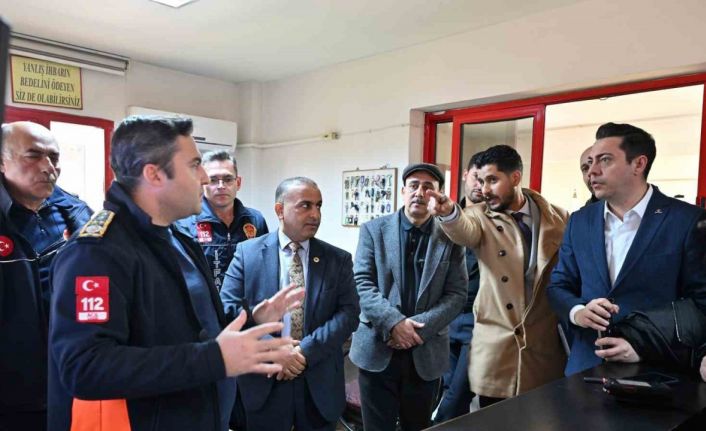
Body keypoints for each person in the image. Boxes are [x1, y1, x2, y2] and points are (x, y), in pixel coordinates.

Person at [48, 116, 302, 431]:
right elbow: (86, 368)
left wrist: (252, 318)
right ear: (154, 174)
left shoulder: (177, 237)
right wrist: (214, 359)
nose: (205, 178)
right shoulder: (97, 252)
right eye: (194, 165)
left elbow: (193, 324)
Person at [547, 122, 706, 375]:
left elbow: (700, 303)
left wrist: (645, 345)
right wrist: (578, 311)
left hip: (658, 372)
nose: (592, 171)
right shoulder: (580, 221)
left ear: (638, 164)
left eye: (605, 160)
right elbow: (558, 285)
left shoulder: (687, 220)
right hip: (585, 367)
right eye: (590, 162)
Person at [429, 145, 568, 407]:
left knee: (539, 415)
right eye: (481, 181)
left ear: (515, 177)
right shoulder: (478, 216)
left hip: (541, 341)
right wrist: (448, 213)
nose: (484, 189)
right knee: (492, 416)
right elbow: (464, 230)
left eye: (492, 180)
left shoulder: (558, 217)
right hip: (497, 342)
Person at [220, 176, 359, 431]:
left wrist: (304, 351)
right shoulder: (247, 254)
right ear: (280, 210)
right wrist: (275, 351)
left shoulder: (337, 259)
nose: (315, 214)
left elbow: (349, 314)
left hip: (318, 381)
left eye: (318, 206)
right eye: (305, 205)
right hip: (264, 381)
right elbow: (227, 310)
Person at [349, 163, 467, 431]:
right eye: (414, 186)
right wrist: (394, 323)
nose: (420, 192)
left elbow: (457, 294)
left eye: (428, 187)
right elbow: (362, 282)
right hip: (377, 347)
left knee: (418, 426)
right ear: (402, 191)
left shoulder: (451, 236)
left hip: (426, 352)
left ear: (438, 194)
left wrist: (415, 330)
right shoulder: (373, 230)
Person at [0, 122, 92, 431]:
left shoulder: (78, 214)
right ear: (2, 162)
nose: (48, 168)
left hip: (70, 384)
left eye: (53, 157)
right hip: (11, 396)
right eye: (33, 155)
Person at [433, 153, 483, 423]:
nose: (481, 185)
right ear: (465, 175)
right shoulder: (442, 217)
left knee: (458, 394)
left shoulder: (498, 222)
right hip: (444, 317)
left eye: (488, 180)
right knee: (444, 388)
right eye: (477, 177)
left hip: (479, 321)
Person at [176, 150, 268, 290]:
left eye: (228, 179)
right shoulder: (184, 222)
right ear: (202, 182)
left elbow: (264, 268)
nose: (221, 186)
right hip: (205, 302)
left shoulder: (255, 220)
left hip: (245, 302)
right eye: (213, 180)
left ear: (238, 182)